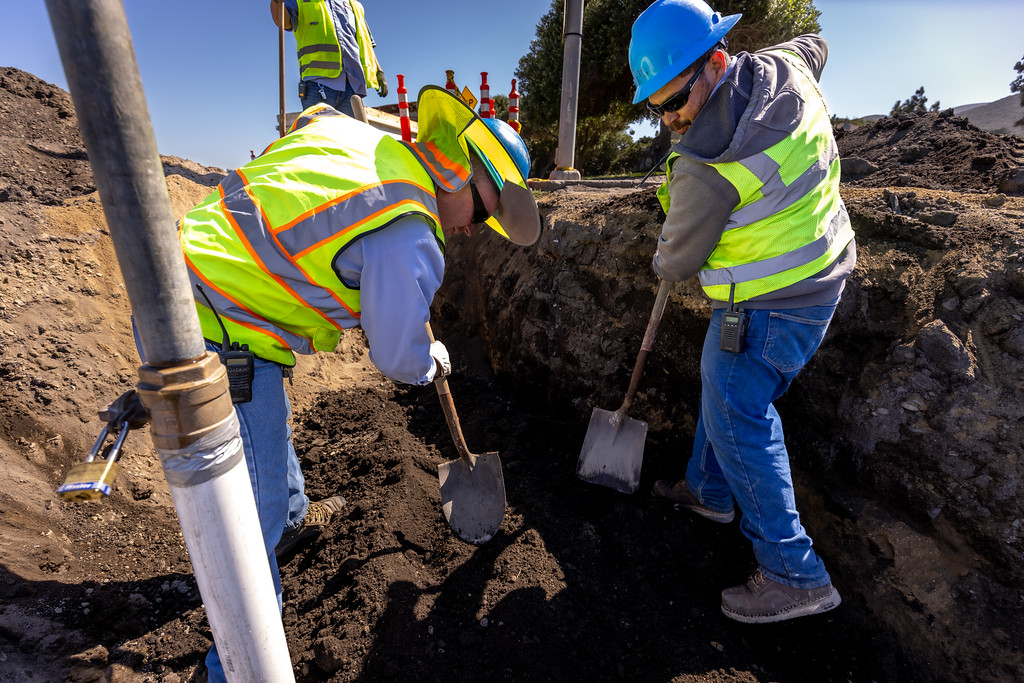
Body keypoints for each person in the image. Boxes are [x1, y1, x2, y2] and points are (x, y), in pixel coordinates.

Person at [178, 86, 539, 681]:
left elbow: (309, 123)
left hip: (199, 273)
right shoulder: (411, 228)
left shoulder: (357, 140)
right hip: (217, 325)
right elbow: (397, 358)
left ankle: (293, 522)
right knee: (252, 512)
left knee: (273, 446)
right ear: (463, 175)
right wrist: (429, 360)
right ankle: (236, 665)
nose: (476, 230)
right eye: (484, 211)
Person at [628, 0, 856, 624]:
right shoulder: (787, 66)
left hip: (772, 302)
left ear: (717, 61)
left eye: (677, 100)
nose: (672, 119)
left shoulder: (706, 164)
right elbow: (817, 44)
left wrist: (665, 234)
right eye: (659, 107)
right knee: (721, 388)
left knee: (739, 411)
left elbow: (673, 263)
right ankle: (708, 492)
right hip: (821, 268)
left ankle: (795, 574)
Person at [270, 0, 388, 118]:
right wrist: (276, 2)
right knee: (320, 135)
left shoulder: (354, 5)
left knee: (349, 136)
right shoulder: (301, 1)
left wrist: (379, 71)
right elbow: (283, 22)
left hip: (352, 86)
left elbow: (367, 42)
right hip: (317, 84)